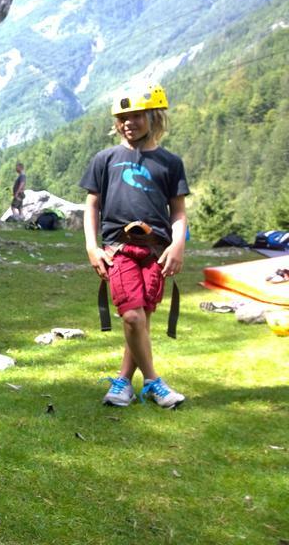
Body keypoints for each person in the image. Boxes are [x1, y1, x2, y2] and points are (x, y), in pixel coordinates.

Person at [80, 83, 188, 410]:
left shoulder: (170, 163)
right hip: (118, 248)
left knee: (141, 318)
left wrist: (178, 245)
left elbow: (179, 212)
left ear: (154, 117)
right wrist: (91, 246)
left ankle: (124, 381)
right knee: (131, 316)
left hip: (156, 251)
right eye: (122, 117)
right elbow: (92, 206)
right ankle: (154, 382)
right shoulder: (105, 159)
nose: (128, 122)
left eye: (136, 115)